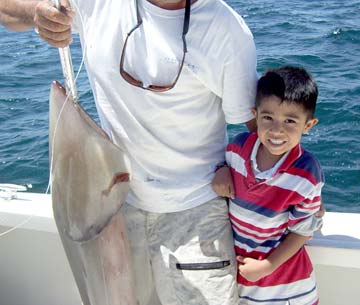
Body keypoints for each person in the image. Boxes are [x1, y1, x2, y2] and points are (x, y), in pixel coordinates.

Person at [0, 0, 259, 304]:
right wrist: (37, 14)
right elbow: (7, 9)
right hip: (119, 212)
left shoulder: (226, 29)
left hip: (195, 217)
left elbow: (258, 127)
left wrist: (295, 193)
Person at [212, 66, 324, 305]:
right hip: (242, 282)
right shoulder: (237, 148)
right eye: (268, 118)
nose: (276, 130)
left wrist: (267, 266)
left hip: (286, 288)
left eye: (290, 121)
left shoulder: (307, 172)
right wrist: (221, 171)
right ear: (255, 114)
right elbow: (226, 167)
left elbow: (302, 231)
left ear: (308, 125)